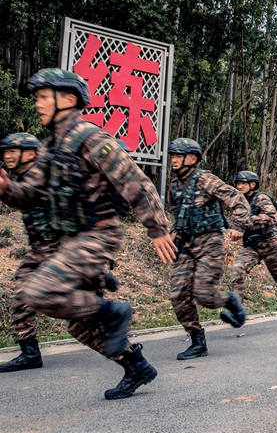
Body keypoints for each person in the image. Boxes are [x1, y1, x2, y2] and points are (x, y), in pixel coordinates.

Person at [0, 68, 177, 400]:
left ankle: (114, 310)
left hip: (97, 236)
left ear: (68, 99)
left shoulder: (89, 137)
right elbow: (31, 197)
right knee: (80, 325)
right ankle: (136, 365)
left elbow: (134, 181)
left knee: (37, 292)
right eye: (36, 98)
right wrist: (7, 189)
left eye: (42, 97)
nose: (37, 104)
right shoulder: (53, 147)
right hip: (69, 241)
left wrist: (157, 228)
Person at [167, 138, 258, 359]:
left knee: (203, 294)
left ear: (193, 158)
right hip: (187, 244)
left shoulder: (205, 179)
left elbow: (237, 199)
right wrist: (173, 232)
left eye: (179, 156)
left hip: (209, 243)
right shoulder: (175, 185)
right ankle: (198, 341)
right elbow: (179, 214)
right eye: (173, 156)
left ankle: (229, 300)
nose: (174, 160)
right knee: (178, 293)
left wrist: (238, 226)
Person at [0, 133, 51, 372]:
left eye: (13, 151)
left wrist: (7, 190)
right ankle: (29, 351)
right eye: (5, 151)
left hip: (59, 249)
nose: (7, 156)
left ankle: (123, 347)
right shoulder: (26, 175)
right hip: (42, 249)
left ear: (31, 154)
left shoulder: (41, 174)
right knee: (23, 292)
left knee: (76, 304)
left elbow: (28, 193)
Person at [227, 170, 277, 311]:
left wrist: (248, 221)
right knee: (238, 271)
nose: (239, 186)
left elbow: (271, 218)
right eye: (237, 183)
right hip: (252, 246)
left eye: (242, 183)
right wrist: (234, 231)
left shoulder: (261, 198)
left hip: (270, 244)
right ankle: (237, 310)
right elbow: (237, 222)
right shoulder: (239, 202)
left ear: (252, 184)